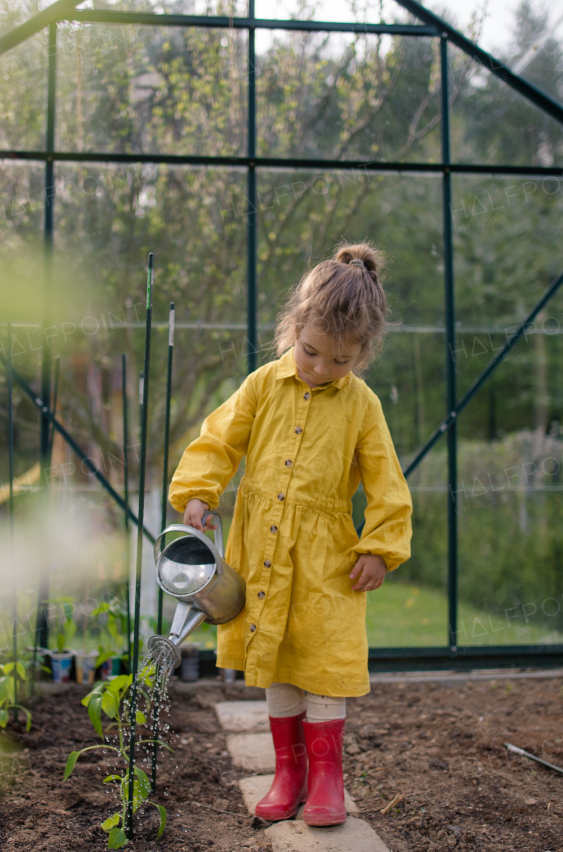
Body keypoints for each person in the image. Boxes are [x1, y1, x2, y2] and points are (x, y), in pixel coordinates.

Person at [168, 243, 413, 826]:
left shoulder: (363, 406)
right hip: (263, 551)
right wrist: (200, 492)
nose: (321, 368)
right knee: (277, 659)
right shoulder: (261, 385)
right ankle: (288, 773)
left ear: (362, 353)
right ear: (294, 326)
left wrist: (380, 546)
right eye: (310, 352)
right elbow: (219, 440)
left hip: (327, 560)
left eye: (340, 361)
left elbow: (387, 481)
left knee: (323, 662)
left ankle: (328, 780)